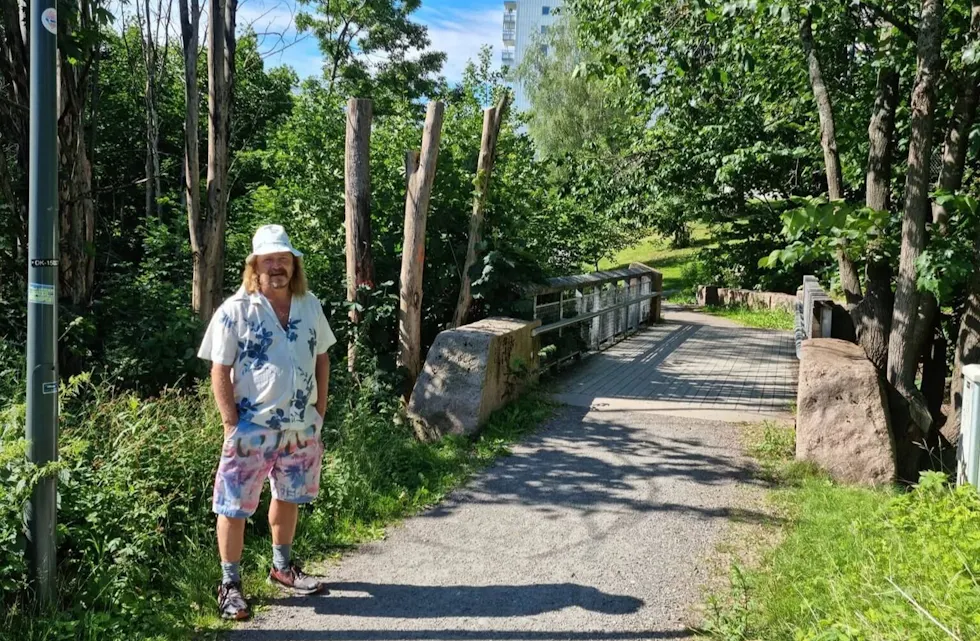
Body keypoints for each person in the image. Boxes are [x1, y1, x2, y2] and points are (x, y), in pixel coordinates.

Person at [197, 224, 336, 620]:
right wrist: (230, 424)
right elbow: (219, 370)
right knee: (233, 505)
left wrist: (320, 412)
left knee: (289, 496)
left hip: (301, 426)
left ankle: (282, 567)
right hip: (251, 427)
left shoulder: (309, 305)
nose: (277, 266)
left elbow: (322, 358)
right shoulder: (236, 310)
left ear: (294, 264)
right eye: (269, 259)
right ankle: (230, 585)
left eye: (284, 259)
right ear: (255, 265)